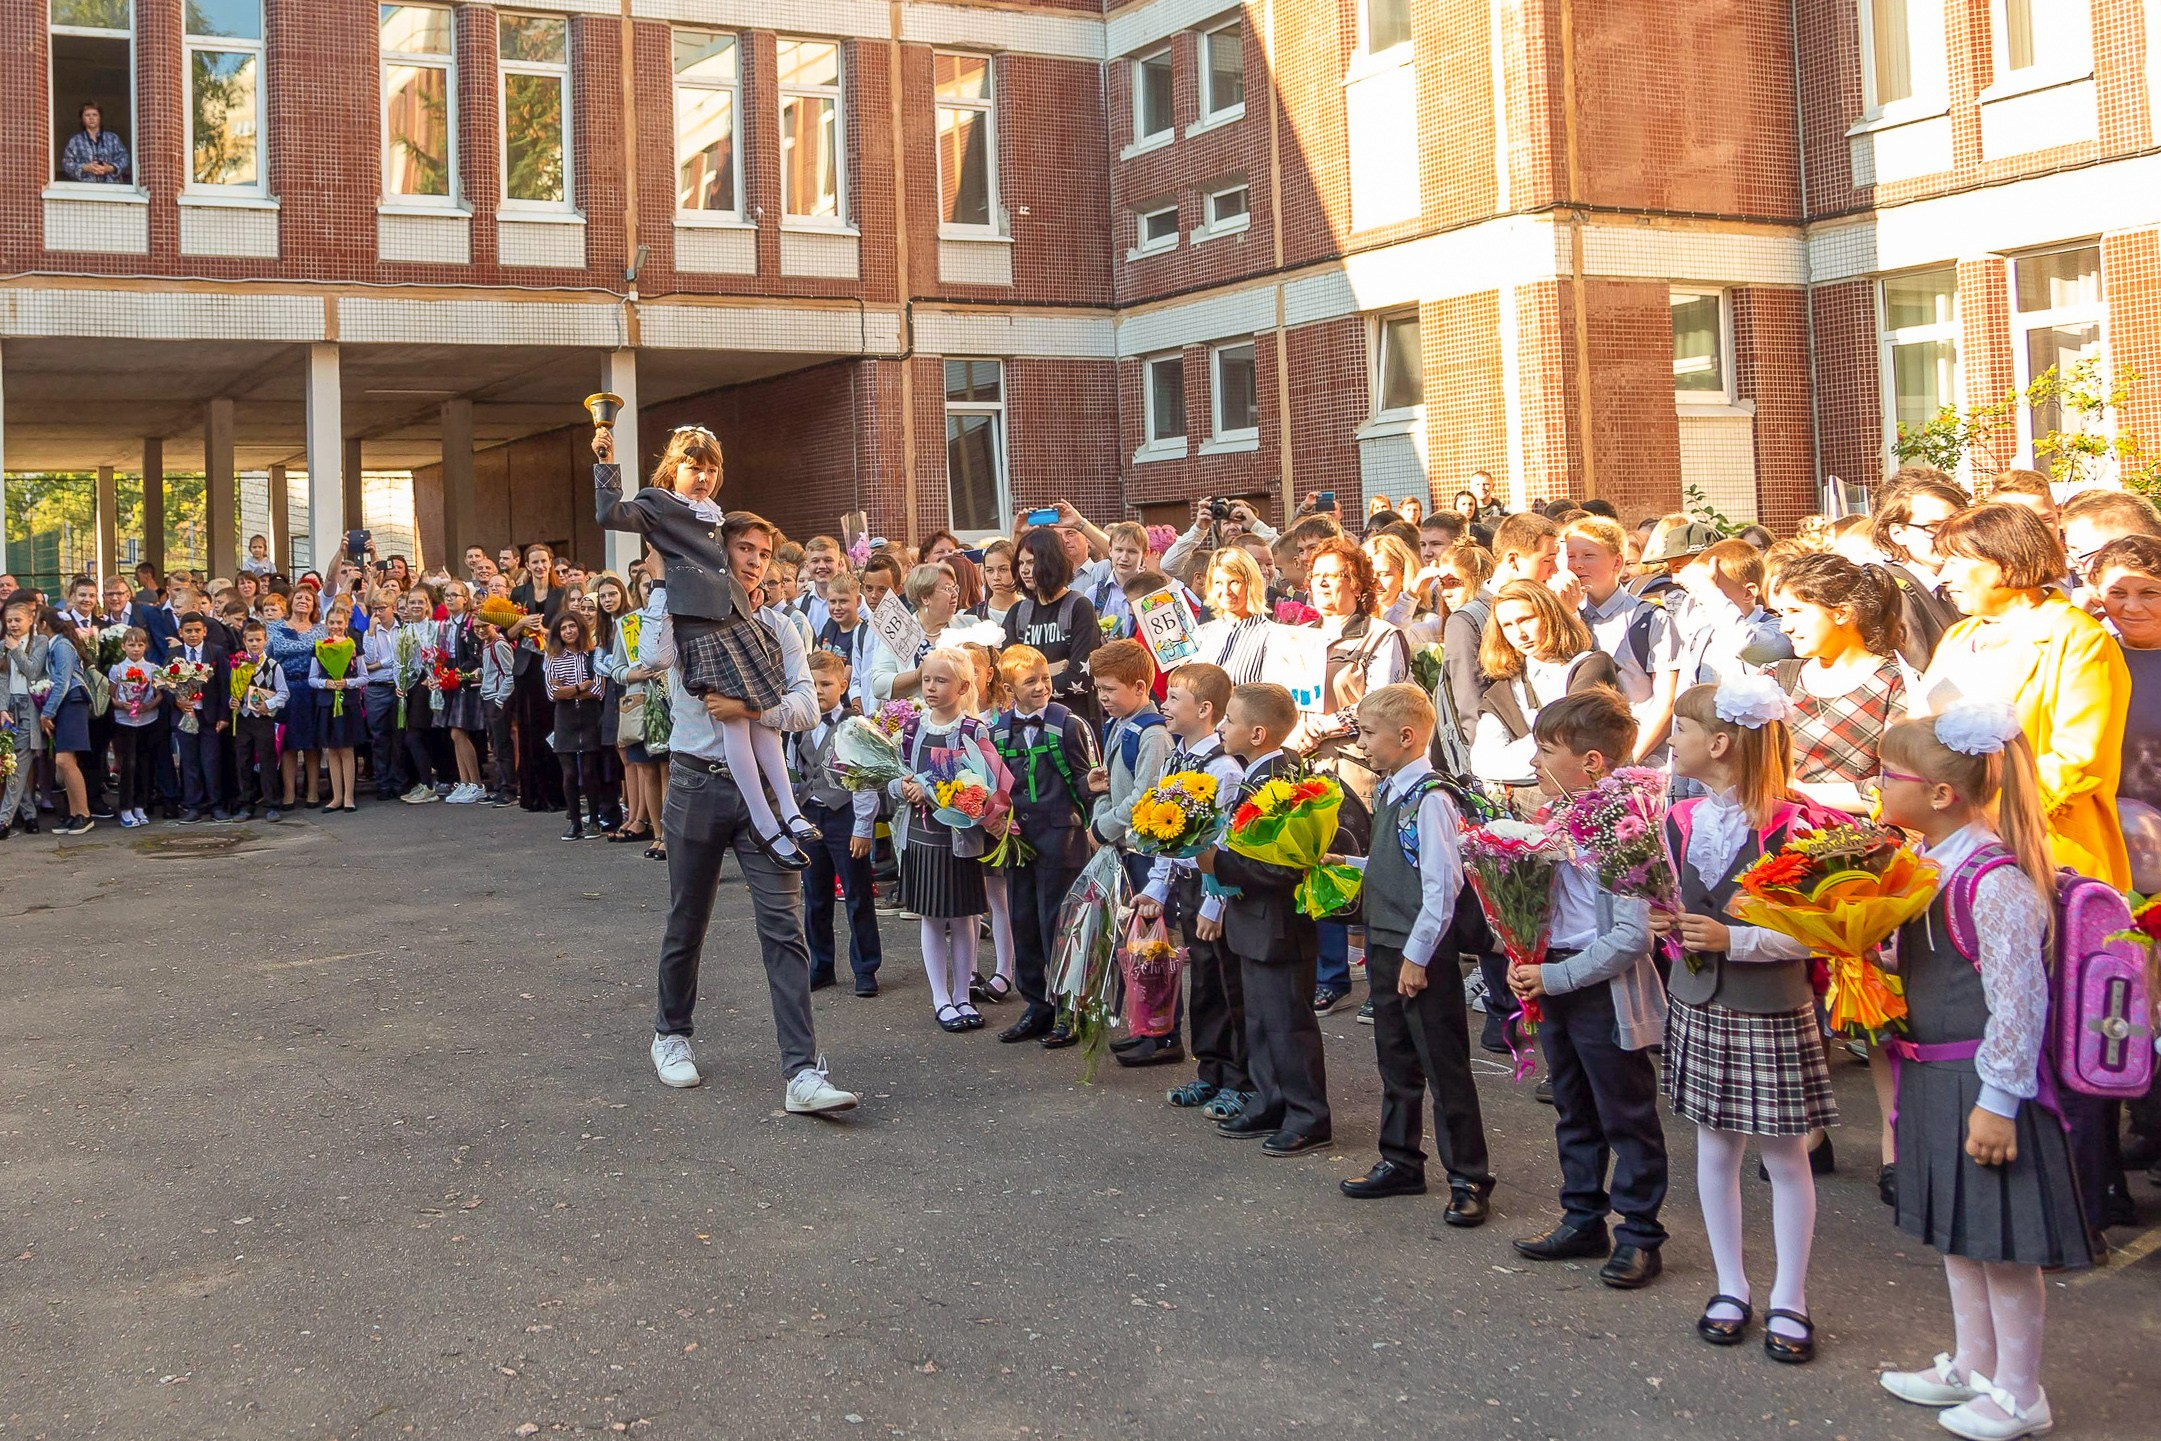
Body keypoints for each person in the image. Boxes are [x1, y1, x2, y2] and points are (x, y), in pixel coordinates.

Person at [1874, 702, 2090, 1441]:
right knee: (1959, 1232)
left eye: (1886, 773)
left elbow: (2017, 1004)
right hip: (1936, 1074)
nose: (1876, 783)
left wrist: (1997, 1100)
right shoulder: (1926, 866)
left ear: (1939, 794)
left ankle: (2020, 1390)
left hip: (1984, 1085)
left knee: (2002, 1245)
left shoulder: (1992, 881)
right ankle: (1973, 1363)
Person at [641, 509, 858, 1115]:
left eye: (764, 550)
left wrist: (747, 707)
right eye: (744, 547)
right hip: (695, 784)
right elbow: (650, 655)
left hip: (764, 785)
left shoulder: (784, 628)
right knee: (689, 917)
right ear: (719, 553)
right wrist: (664, 579)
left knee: (784, 929)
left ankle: (802, 1071)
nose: (755, 559)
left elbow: (807, 709)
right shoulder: (683, 619)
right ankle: (671, 1034)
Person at [1655, 677, 1833, 1364]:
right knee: (1713, 1145)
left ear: (1720, 743)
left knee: (1784, 1153)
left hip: (1768, 1002)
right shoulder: (1679, 820)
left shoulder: (1797, 825)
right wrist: (1663, 925)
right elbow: (1680, 911)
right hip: (1697, 1000)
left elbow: (1817, 932)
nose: (1670, 741)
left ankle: (1790, 1294)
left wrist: (1735, 940)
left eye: (1679, 730)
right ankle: (1730, 1284)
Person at [595, 424, 820, 869]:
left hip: (731, 623)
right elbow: (610, 515)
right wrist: (604, 463)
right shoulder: (660, 505)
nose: (703, 477)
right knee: (736, 723)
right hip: (700, 634)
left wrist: (745, 597)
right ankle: (768, 823)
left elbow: (720, 572)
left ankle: (789, 814)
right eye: (694, 467)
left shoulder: (713, 514)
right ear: (672, 469)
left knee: (758, 716)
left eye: (711, 469)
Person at [1507, 688, 1669, 1286]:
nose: (1533, 764)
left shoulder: (1623, 828)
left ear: (1593, 762)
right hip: (1554, 975)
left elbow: (1632, 936)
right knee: (1573, 1105)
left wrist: (1555, 974)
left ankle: (1640, 1233)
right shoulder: (1555, 819)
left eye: (1544, 751)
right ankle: (1582, 1216)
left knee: (1624, 1112)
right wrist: (1524, 952)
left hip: (1600, 985)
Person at [1337, 683, 1495, 1226]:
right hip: (1385, 941)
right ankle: (1400, 1159)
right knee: (1396, 1059)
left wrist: (1419, 955)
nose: (1362, 743)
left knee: (1442, 1062)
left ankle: (1468, 1174)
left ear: (1406, 737)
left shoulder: (1431, 798)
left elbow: (1442, 886)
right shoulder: (1390, 792)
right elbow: (1394, 867)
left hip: (1418, 951)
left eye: (1368, 733)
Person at [1919, 502, 2131, 888]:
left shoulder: (2079, 638)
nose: (1943, 576)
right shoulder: (1958, 636)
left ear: (2008, 564)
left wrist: (1981, 818)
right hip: (1951, 847)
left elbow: (2077, 762)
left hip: (2043, 850)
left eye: (1956, 561)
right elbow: (1919, 730)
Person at [1196, 683, 1331, 1157]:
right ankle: (1270, 1099)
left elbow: (1284, 864)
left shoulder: (1281, 782)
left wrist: (1219, 864)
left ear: (1257, 733)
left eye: (1228, 721)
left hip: (1277, 922)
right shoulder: (1259, 775)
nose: (1220, 727)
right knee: (1259, 1020)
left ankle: (1307, 1114)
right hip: (1252, 921)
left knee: (1286, 1022)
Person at [1135, 663, 1250, 1117]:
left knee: (1226, 984)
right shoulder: (1176, 759)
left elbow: (1222, 841)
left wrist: (1216, 903)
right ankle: (1210, 1070)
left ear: (1205, 710)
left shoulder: (1223, 769)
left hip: (1210, 890)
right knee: (1202, 984)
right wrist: (1156, 888)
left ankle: (1238, 1078)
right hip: (1185, 888)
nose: (1164, 704)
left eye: (1174, 697)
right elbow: (1168, 832)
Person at [889, 648, 1009, 1033]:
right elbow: (893, 777)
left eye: (940, 681)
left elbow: (987, 783)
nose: (931, 687)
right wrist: (903, 786)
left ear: (963, 686)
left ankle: (962, 994)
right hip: (923, 838)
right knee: (933, 916)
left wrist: (939, 790)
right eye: (926, 679)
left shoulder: (973, 730)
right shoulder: (911, 730)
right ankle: (940, 997)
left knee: (966, 916)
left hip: (960, 840)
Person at [991, 644, 1101, 1046]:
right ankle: (1037, 1004)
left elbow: (1085, 781)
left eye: (1045, 679)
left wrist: (1093, 809)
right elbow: (996, 785)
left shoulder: (1068, 725)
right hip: (1019, 840)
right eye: (1030, 681)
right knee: (1024, 922)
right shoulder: (998, 730)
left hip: (1062, 838)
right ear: (1008, 689)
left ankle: (1069, 1009)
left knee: (1060, 923)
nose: (1041, 687)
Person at [1467, 579, 1621, 799]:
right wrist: (1550, 754)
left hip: (1592, 802)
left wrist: (1526, 754)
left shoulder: (1591, 666)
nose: (1520, 633)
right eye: (1508, 625)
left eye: (1526, 619)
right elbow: (1483, 764)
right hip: (1527, 810)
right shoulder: (1502, 691)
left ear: (1549, 615)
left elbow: (1573, 741)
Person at [794, 650, 883, 997]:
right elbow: (793, 768)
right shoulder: (798, 723)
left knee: (857, 893)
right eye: (811, 684)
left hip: (845, 816)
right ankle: (821, 965)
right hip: (810, 816)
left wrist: (863, 827)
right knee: (815, 896)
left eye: (825, 684)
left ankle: (865, 968)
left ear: (842, 685)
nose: (817, 690)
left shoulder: (854, 726)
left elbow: (864, 777)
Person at [1440, 512, 1557, 761]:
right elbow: (1472, 708)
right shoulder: (1467, 621)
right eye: (1547, 560)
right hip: (1505, 767)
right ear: (1514, 561)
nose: (1554, 571)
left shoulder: (1550, 604)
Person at [1564, 515, 1678, 762]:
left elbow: (1666, 701)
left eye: (1588, 555)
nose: (1577, 565)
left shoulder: (1649, 619)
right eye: (1571, 557)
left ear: (1617, 562)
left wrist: (1629, 761)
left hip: (1639, 757)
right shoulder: (1565, 614)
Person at [1003, 527, 1104, 727]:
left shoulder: (1078, 607)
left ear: (1051, 562)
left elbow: (1081, 678)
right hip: (1028, 726)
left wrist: (1028, 681)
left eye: (1031, 562)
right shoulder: (1017, 612)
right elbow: (1007, 676)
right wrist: (1052, 669)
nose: (1024, 570)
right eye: (1021, 562)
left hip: (1073, 725)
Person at [1870, 471, 1968, 666]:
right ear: (1897, 533)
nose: (1945, 536)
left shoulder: (1951, 586)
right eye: (1932, 527)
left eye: (1955, 525)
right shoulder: (1895, 593)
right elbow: (1915, 671)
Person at [545, 610, 606, 841]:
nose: (568, 631)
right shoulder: (553, 657)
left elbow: (599, 689)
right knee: (569, 773)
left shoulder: (592, 655)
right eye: (563, 628)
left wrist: (568, 689)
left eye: (572, 626)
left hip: (590, 717)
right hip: (565, 718)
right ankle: (574, 821)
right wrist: (581, 688)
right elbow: (552, 693)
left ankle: (594, 819)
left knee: (590, 771)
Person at [170, 611, 232, 825]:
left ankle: (216, 805)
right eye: (188, 631)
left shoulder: (215, 652)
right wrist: (177, 700)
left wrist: (224, 715)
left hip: (209, 717)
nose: (193, 634)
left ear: (205, 631)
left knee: (211, 761)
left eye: (197, 630)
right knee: (189, 762)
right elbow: (165, 684)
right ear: (180, 633)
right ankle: (193, 806)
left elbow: (225, 685)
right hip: (185, 715)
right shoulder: (174, 654)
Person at [266, 587, 326, 810]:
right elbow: (265, 658)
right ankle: (289, 792)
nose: (303, 601)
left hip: (311, 690)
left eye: (308, 599)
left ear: (314, 605)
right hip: (285, 690)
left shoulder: (321, 630)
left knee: (312, 743)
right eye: (299, 597)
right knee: (288, 744)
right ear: (290, 602)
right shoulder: (274, 627)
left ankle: (312, 791)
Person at [309, 602, 367, 813]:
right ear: (326, 623)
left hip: (348, 701)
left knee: (346, 749)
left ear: (346, 623)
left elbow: (363, 676)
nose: (335, 626)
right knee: (331, 749)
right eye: (331, 622)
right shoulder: (320, 646)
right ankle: (336, 796)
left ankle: (350, 796)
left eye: (339, 622)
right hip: (326, 702)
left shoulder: (353, 645)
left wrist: (347, 683)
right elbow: (312, 678)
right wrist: (326, 683)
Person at [1191, 547, 1274, 683]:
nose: (1226, 590)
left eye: (1234, 582)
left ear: (1251, 584)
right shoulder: (1201, 635)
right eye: (1218, 582)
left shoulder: (1271, 636)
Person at [106, 626, 162, 828]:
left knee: (144, 764)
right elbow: (110, 695)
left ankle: (141, 805)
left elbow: (159, 694)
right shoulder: (118, 669)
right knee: (128, 765)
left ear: (146, 646)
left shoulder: (152, 668)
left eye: (140, 644)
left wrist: (148, 705)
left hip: (147, 720)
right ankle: (126, 808)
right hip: (125, 722)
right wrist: (121, 704)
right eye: (131, 644)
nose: (136, 649)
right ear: (123, 646)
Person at [60, 102, 130, 183]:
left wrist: (110, 168)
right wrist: (85, 167)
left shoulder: (113, 138)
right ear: (82, 119)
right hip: (85, 189)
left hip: (112, 188)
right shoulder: (75, 141)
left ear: (100, 117)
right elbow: (66, 164)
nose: (91, 118)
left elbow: (125, 158)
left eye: (95, 115)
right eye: (87, 115)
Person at [971, 539, 1021, 626]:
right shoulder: (972, 616)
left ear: (1016, 569)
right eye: (990, 570)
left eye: (1003, 569)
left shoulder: (1031, 610)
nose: (996, 577)